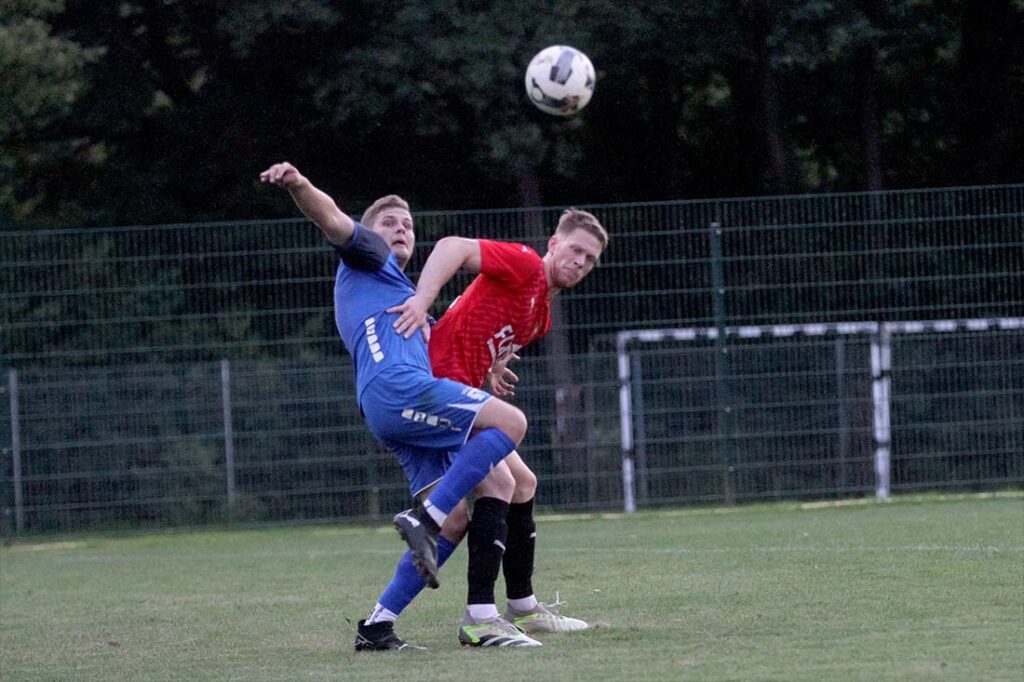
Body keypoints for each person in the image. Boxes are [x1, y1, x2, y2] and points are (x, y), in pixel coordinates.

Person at [259, 162, 540, 650]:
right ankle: (425, 522)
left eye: (408, 224)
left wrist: (488, 367)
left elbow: (447, 345)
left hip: (389, 408)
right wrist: (298, 184)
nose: (402, 228)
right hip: (397, 390)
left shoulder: (403, 297)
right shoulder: (368, 257)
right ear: (369, 232)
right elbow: (329, 218)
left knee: (461, 516)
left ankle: (376, 626)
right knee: (511, 423)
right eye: (390, 222)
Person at [369, 208, 608, 646]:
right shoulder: (525, 264)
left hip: (458, 389)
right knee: (498, 479)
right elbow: (451, 247)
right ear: (553, 244)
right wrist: (422, 300)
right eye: (575, 249)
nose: (580, 262)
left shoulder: (541, 316)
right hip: (437, 386)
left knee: (521, 483)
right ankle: (480, 617)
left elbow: (480, 321)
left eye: (589, 259)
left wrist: (492, 366)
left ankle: (521, 607)